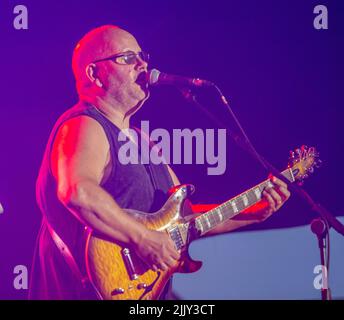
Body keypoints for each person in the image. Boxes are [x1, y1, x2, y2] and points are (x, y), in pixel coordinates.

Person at [28, 25, 290, 300]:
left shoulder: (145, 143)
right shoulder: (85, 124)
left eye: (143, 56)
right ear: (95, 74)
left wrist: (253, 212)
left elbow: (184, 219)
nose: (142, 64)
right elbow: (78, 192)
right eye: (128, 58)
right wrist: (143, 239)